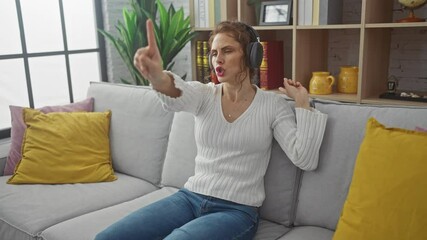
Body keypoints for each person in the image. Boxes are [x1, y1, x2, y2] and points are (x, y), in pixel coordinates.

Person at [95, 19, 327, 240]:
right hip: (189, 197)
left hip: (236, 211)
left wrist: (302, 103)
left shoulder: (273, 105)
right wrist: (157, 76)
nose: (218, 59)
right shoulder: (205, 95)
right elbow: (177, 94)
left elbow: (304, 158)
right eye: (214, 53)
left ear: (251, 55)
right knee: (107, 237)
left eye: (227, 51)